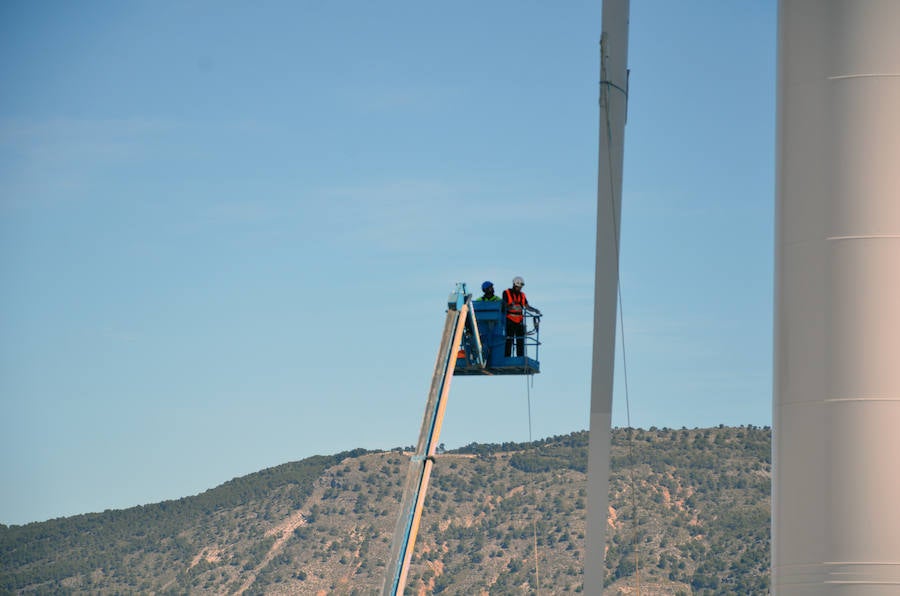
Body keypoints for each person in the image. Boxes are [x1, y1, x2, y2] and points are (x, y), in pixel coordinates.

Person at [502, 276, 540, 357]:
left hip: (519, 320)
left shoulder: (522, 295)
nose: (520, 288)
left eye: (521, 287)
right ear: (515, 285)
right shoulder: (506, 292)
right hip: (510, 320)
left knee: (520, 340)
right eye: (519, 287)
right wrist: (512, 307)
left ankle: (520, 357)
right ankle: (507, 357)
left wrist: (535, 310)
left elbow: (527, 306)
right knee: (509, 340)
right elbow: (504, 305)